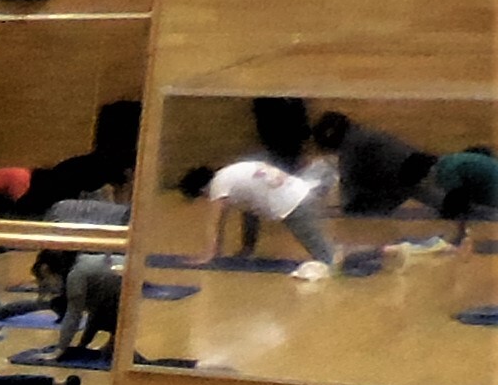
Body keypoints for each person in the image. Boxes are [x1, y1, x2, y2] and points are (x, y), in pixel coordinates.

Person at [177, 160, 340, 279]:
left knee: (328, 260)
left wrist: (208, 255)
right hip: (300, 190)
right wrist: (247, 248)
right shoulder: (230, 174)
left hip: (293, 206)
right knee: (325, 252)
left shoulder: (218, 186)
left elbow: (215, 223)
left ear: (201, 190)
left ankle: (346, 252)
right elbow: (250, 212)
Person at [309, 112, 435, 219]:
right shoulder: (361, 134)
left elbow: (350, 179)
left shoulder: (352, 146)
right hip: (411, 171)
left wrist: (346, 208)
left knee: (358, 211)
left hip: (407, 176)